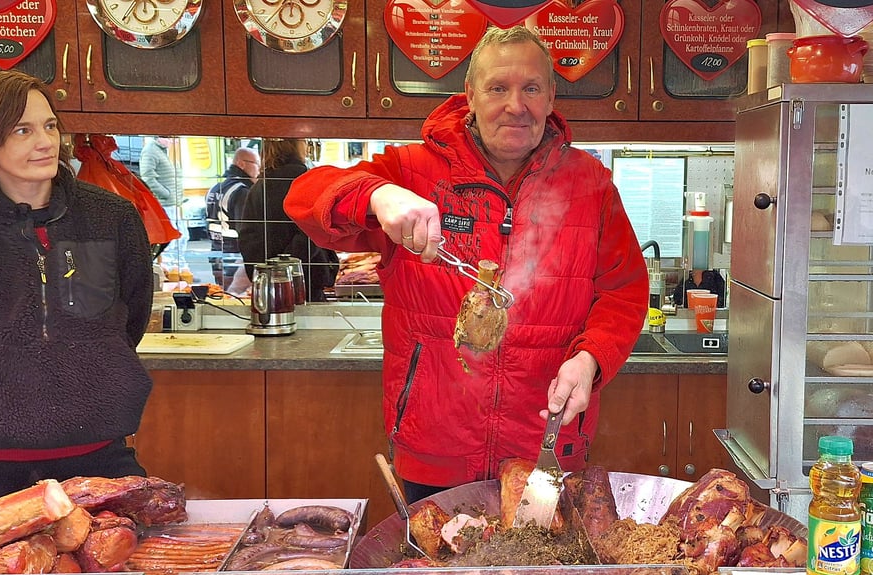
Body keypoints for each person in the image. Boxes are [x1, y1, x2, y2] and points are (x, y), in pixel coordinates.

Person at [284, 26, 648, 503]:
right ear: (470, 95)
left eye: (531, 88)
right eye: (498, 88)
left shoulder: (590, 184)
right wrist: (378, 193)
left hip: (544, 444)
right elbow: (306, 199)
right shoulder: (412, 171)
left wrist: (591, 358)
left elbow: (623, 291)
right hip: (434, 445)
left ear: (551, 96)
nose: (516, 105)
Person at [0, 71, 154, 507]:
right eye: (23, 130)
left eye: (50, 126)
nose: (46, 142)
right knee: (16, 572)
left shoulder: (111, 218)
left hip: (101, 452)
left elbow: (130, 316)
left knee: (118, 569)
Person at [239, 138, 338, 302]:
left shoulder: (258, 188)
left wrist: (270, 274)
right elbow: (312, 234)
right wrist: (288, 271)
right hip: (308, 288)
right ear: (298, 145)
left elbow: (247, 240)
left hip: (267, 292)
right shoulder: (309, 182)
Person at [205, 147, 259, 289]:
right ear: (241, 163)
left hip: (216, 256)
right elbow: (247, 231)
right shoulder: (241, 191)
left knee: (221, 296)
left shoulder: (215, 188)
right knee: (235, 300)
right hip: (235, 259)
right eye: (257, 165)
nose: (259, 171)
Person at [139, 136, 182, 224]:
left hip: (172, 203)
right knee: (175, 236)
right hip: (164, 204)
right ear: (159, 137)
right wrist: (165, 194)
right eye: (170, 139)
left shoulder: (163, 151)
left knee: (183, 236)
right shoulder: (150, 151)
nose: (173, 142)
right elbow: (147, 178)